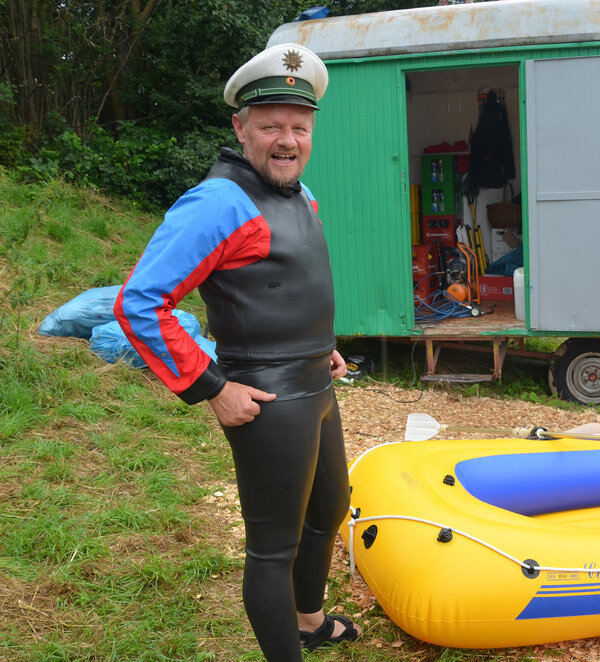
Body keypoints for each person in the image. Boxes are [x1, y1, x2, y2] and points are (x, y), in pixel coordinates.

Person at [114, 43, 359, 660]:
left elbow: (289, 281)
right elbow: (141, 304)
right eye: (271, 126)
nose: (286, 139)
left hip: (315, 383)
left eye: (298, 127)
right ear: (240, 128)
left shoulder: (302, 197)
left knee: (329, 508)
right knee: (273, 547)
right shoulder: (219, 202)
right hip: (266, 398)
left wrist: (323, 348)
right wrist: (210, 387)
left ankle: (308, 621)